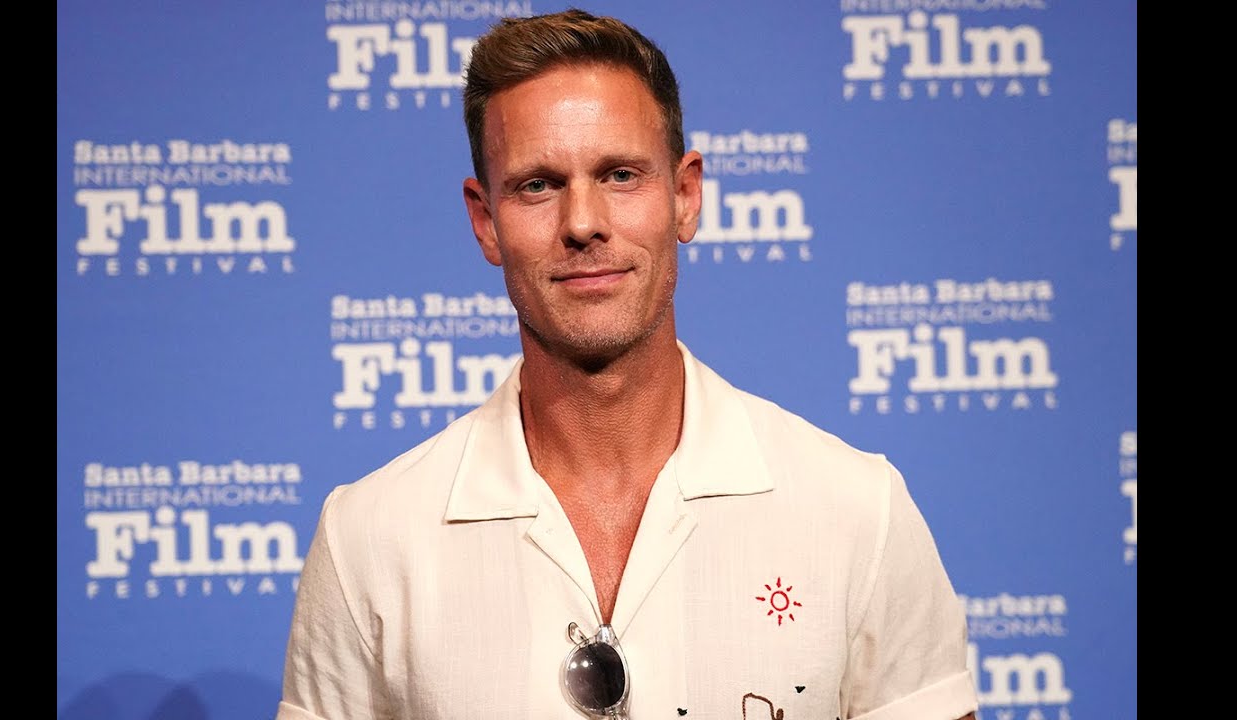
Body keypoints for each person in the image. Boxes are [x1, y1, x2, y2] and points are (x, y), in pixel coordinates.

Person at [277, 8, 979, 720]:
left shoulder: (857, 511)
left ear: (685, 195)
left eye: (619, 175)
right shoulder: (369, 540)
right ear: (485, 220)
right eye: (538, 185)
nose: (582, 223)